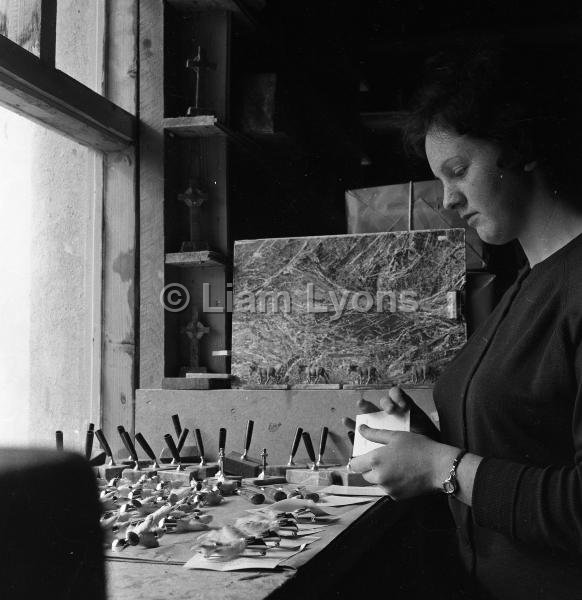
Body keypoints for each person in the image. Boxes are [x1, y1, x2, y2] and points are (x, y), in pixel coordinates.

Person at [347, 41, 582, 600]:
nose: (448, 199)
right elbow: (523, 437)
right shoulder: (526, 281)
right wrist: (425, 442)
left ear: (520, 147)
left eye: (458, 170)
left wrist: (438, 467)